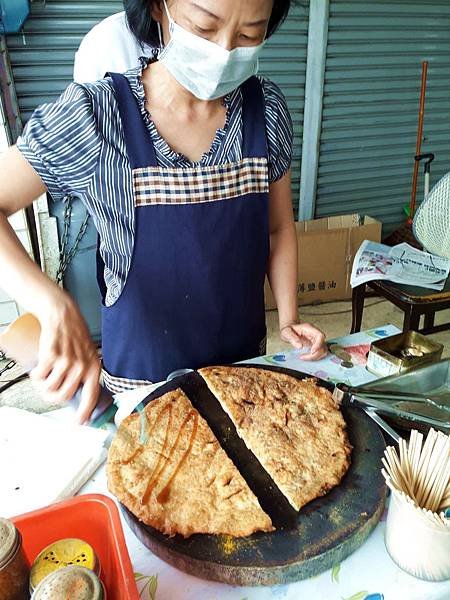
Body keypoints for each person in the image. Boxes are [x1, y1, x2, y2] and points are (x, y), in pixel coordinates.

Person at [0, 0, 327, 423]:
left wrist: (289, 316)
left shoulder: (265, 110)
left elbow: (278, 228)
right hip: (143, 394)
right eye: (204, 27)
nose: (225, 52)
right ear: (159, 7)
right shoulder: (96, 116)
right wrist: (50, 303)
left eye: (249, 34)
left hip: (241, 385)